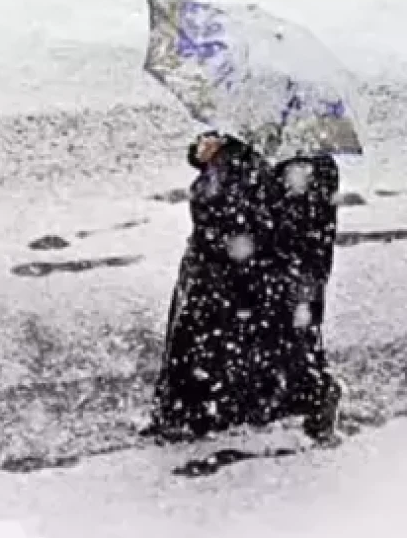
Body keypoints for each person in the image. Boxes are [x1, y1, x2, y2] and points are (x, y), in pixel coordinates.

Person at [145, 131, 293, 440]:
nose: (204, 140)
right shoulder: (231, 164)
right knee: (198, 344)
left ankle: (195, 413)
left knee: (203, 345)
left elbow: (233, 222)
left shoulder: (243, 171)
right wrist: (203, 158)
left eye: (212, 138)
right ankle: (193, 410)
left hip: (219, 276)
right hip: (209, 273)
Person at [274, 153, 343, 441]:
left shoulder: (315, 170)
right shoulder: (297, 167)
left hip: (302, 267)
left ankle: (318, 394)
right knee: (296, 330)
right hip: (298, 265)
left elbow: (307, 225)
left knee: (301, 331)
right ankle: (310, 392)